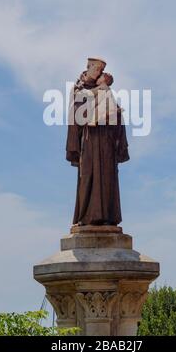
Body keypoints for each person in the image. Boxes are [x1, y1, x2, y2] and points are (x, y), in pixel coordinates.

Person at [66, 57, 129, 226]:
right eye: (96, 69)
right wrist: (101, 89)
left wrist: (113, 114)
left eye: (101, 71)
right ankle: (86, 216)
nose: (98, 73)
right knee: (89, 176)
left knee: (107, 176)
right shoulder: (79, 87)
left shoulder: (104, 89)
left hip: (105, 140)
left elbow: (113, 110)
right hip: (89, 139)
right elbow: (79, 106)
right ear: (89, 67)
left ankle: (108, 216)